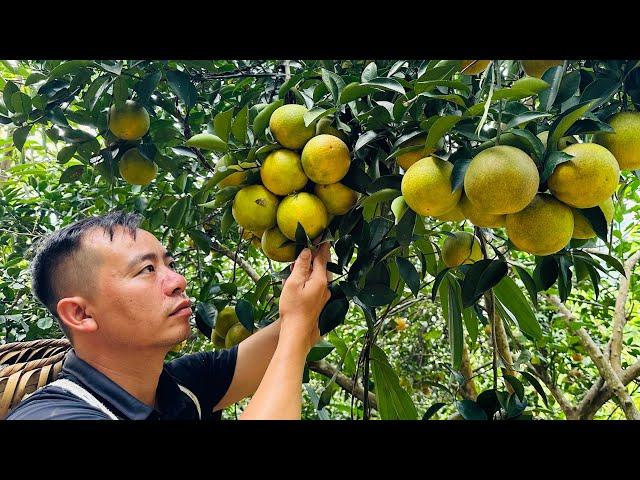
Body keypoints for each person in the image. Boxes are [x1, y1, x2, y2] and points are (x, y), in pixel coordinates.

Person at [6, 211, 331, 420]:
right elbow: (295, 332)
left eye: (170, 265)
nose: (178, 281)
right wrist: (296, 327)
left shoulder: (180, 387)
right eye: (147, 269)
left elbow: (303, 324)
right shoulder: (54, 415)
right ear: (80, 313)